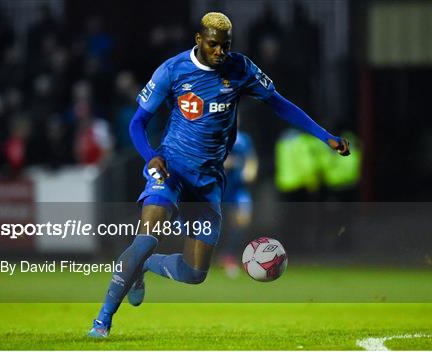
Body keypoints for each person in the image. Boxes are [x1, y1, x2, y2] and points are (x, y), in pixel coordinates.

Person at [88, 12, 349, 338]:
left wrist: (325, 136)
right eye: (213, 45)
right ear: (199, 40)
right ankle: (102, 321)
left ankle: (141, 266)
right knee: (146, 236)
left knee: (194, 273)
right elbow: (136, 123)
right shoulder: (173, 70)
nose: (219, 52)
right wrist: (151, 157)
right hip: (171, 169)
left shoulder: (240, 68)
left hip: (208, 181)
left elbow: (280, 104)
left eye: (225, 46)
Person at [219, 130, 258, 278]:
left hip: (238, 188)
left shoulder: (244, 138)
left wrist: (251, 170)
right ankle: (207, 257)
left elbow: (251, 158)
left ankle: (230, 256)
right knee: (218, 226)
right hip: (220, 188)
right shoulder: (215, 134)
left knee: (243, 220)